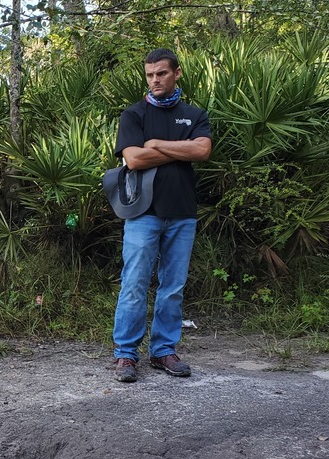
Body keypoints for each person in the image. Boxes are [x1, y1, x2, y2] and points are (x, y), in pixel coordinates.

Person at [111, 48, 212, 383]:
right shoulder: (134, 114)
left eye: (162, 74)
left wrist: (154, 143)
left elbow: (202, 150)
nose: (155, 80)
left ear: (176, 73)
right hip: (143, 214)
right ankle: (126, 355)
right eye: (150, 74)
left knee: (173, 287)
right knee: (135, 283)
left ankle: (163, 351)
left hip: (183, 213)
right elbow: (134, 160)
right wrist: (177, 148)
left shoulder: (194, 114)